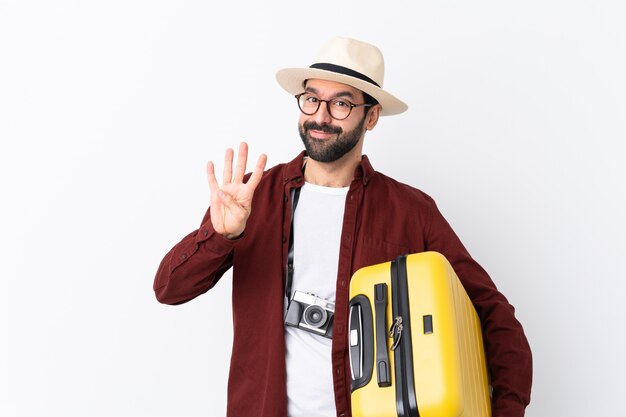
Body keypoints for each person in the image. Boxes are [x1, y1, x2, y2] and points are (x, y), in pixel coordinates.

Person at [153, 37, 532, 417]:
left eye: (341, 104)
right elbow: (169, 288)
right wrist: (222, 236)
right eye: (312, 99)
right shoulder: (253, 198)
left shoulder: (411, 212)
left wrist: (506, 407)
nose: (320, 116)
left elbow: (492, 313)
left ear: (371, 116)